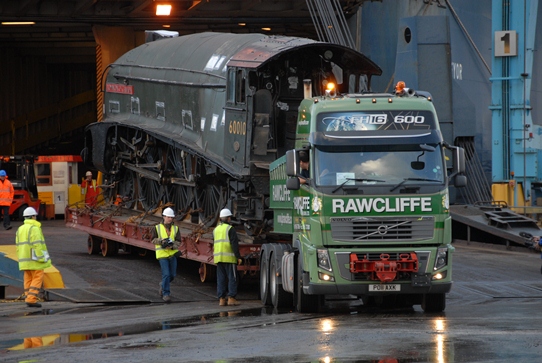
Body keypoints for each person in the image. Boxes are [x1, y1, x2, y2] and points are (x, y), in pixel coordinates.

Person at [15, 207, 51, 308]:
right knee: (37, 277)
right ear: (33, 216)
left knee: (28, 278)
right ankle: (31, 299)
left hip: (24, 259)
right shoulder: (34, 228)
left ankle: (28, 297)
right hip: (34, 259)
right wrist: (41, 258)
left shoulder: (20, 229)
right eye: (35, 215)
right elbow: (37, 245)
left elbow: (18, 245)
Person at [151, 207, 181, 303]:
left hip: (172, 254)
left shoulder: (175, 228)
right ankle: (166, 294)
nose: (170, 219)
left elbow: (178, 241)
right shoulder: (157, 227)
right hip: (162, 255)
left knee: (172, 275)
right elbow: (153, 239)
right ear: (164, 217)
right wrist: (162, 241)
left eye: (171, 217)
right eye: (168, 217)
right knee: (166, 274)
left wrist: (173, 246)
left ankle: (162, 285)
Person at [213, 208, 242, 306]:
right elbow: (234, 244)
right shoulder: (230, 229)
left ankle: (221, 299)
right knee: (232, 278)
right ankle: (231, 298)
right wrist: (238, 257)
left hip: (218, 258)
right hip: (229, 258)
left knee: (221, 279)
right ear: (229, 218)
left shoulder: (216, 229)